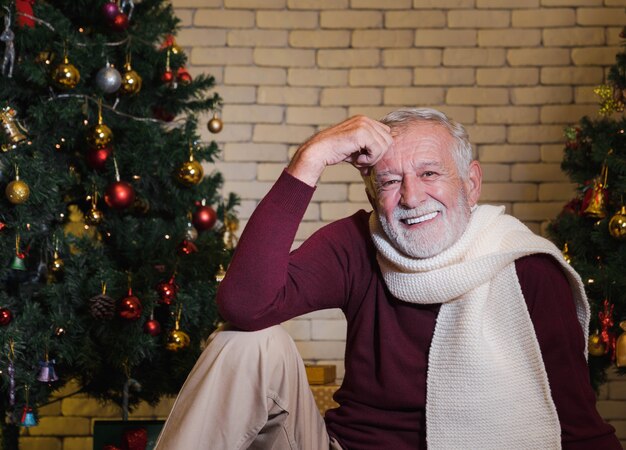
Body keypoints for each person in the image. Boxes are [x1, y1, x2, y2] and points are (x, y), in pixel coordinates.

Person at [155, 108, 620, 449]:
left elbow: (577, 425)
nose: (412, 197)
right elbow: (244, 305)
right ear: (373, 194)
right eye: (390, 181)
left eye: (430, 173)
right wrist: (311, 158)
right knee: (246, 342)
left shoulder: (529, 270)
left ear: (472, 184)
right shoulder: (359, 244)